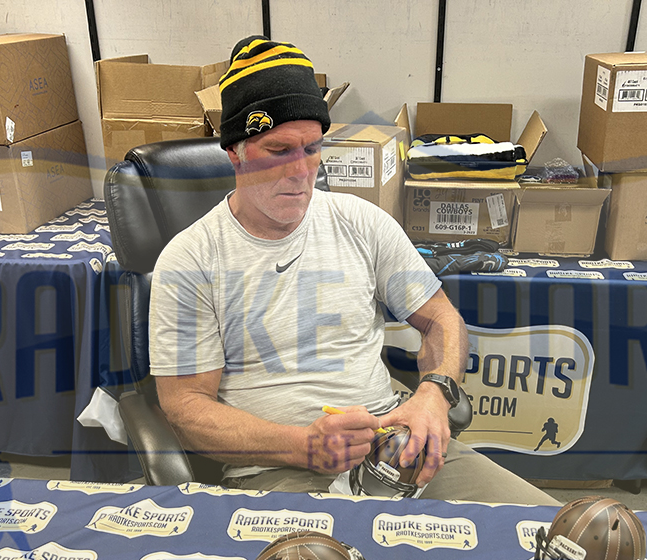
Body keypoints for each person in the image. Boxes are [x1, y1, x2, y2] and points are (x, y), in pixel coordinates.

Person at [149, 36, 558, 506]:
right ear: (234, 152)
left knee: (549, 530)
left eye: (311, 148)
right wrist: (301, 446)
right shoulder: (191, 260)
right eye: (278, 150)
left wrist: (434, 393)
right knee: (331, 558)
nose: (299, 171)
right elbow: (186, 408)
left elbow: (442, 319)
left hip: (399, 446)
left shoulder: (361, 222)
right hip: (281, 470)